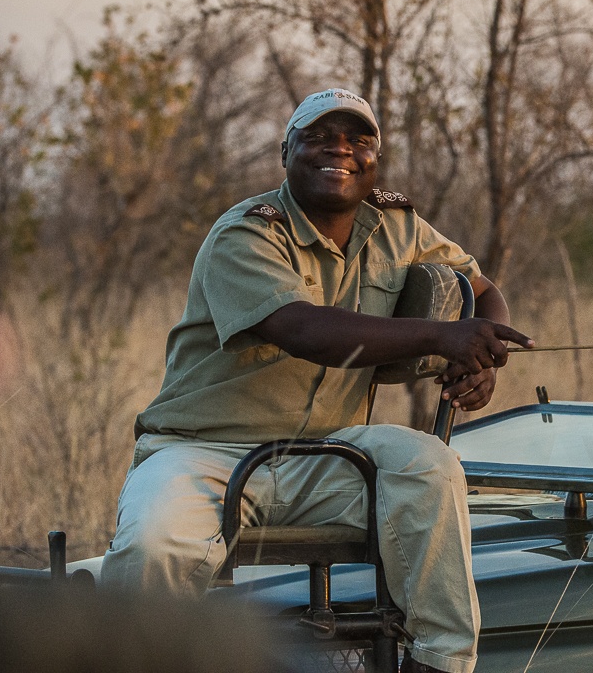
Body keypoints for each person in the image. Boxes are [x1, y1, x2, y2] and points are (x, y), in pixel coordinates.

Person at [100, 88, 533, 673]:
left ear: (376, 158)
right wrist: (438, 338)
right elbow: (305, 329)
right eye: (319, 137)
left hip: (328, 455)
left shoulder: (398, 225)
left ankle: (440, 661)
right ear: (286, 152)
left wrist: (482, 355)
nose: (342, 150)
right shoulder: (247, 233)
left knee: (428, 465)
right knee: (154, 545)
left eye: (359, 138)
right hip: (204, 452)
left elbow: (480, 290)